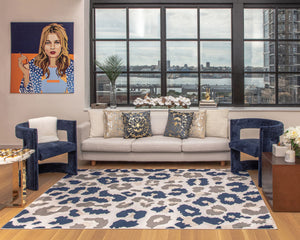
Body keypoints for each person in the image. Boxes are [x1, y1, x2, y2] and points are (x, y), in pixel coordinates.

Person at [18, 23, 74, 93]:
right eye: (48, 43)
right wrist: (26, 74)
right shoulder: (34, 66)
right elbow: (25, 95)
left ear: (62, 45)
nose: (52, 47)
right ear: (43, 45)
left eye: (56, 42)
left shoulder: (71, 67)